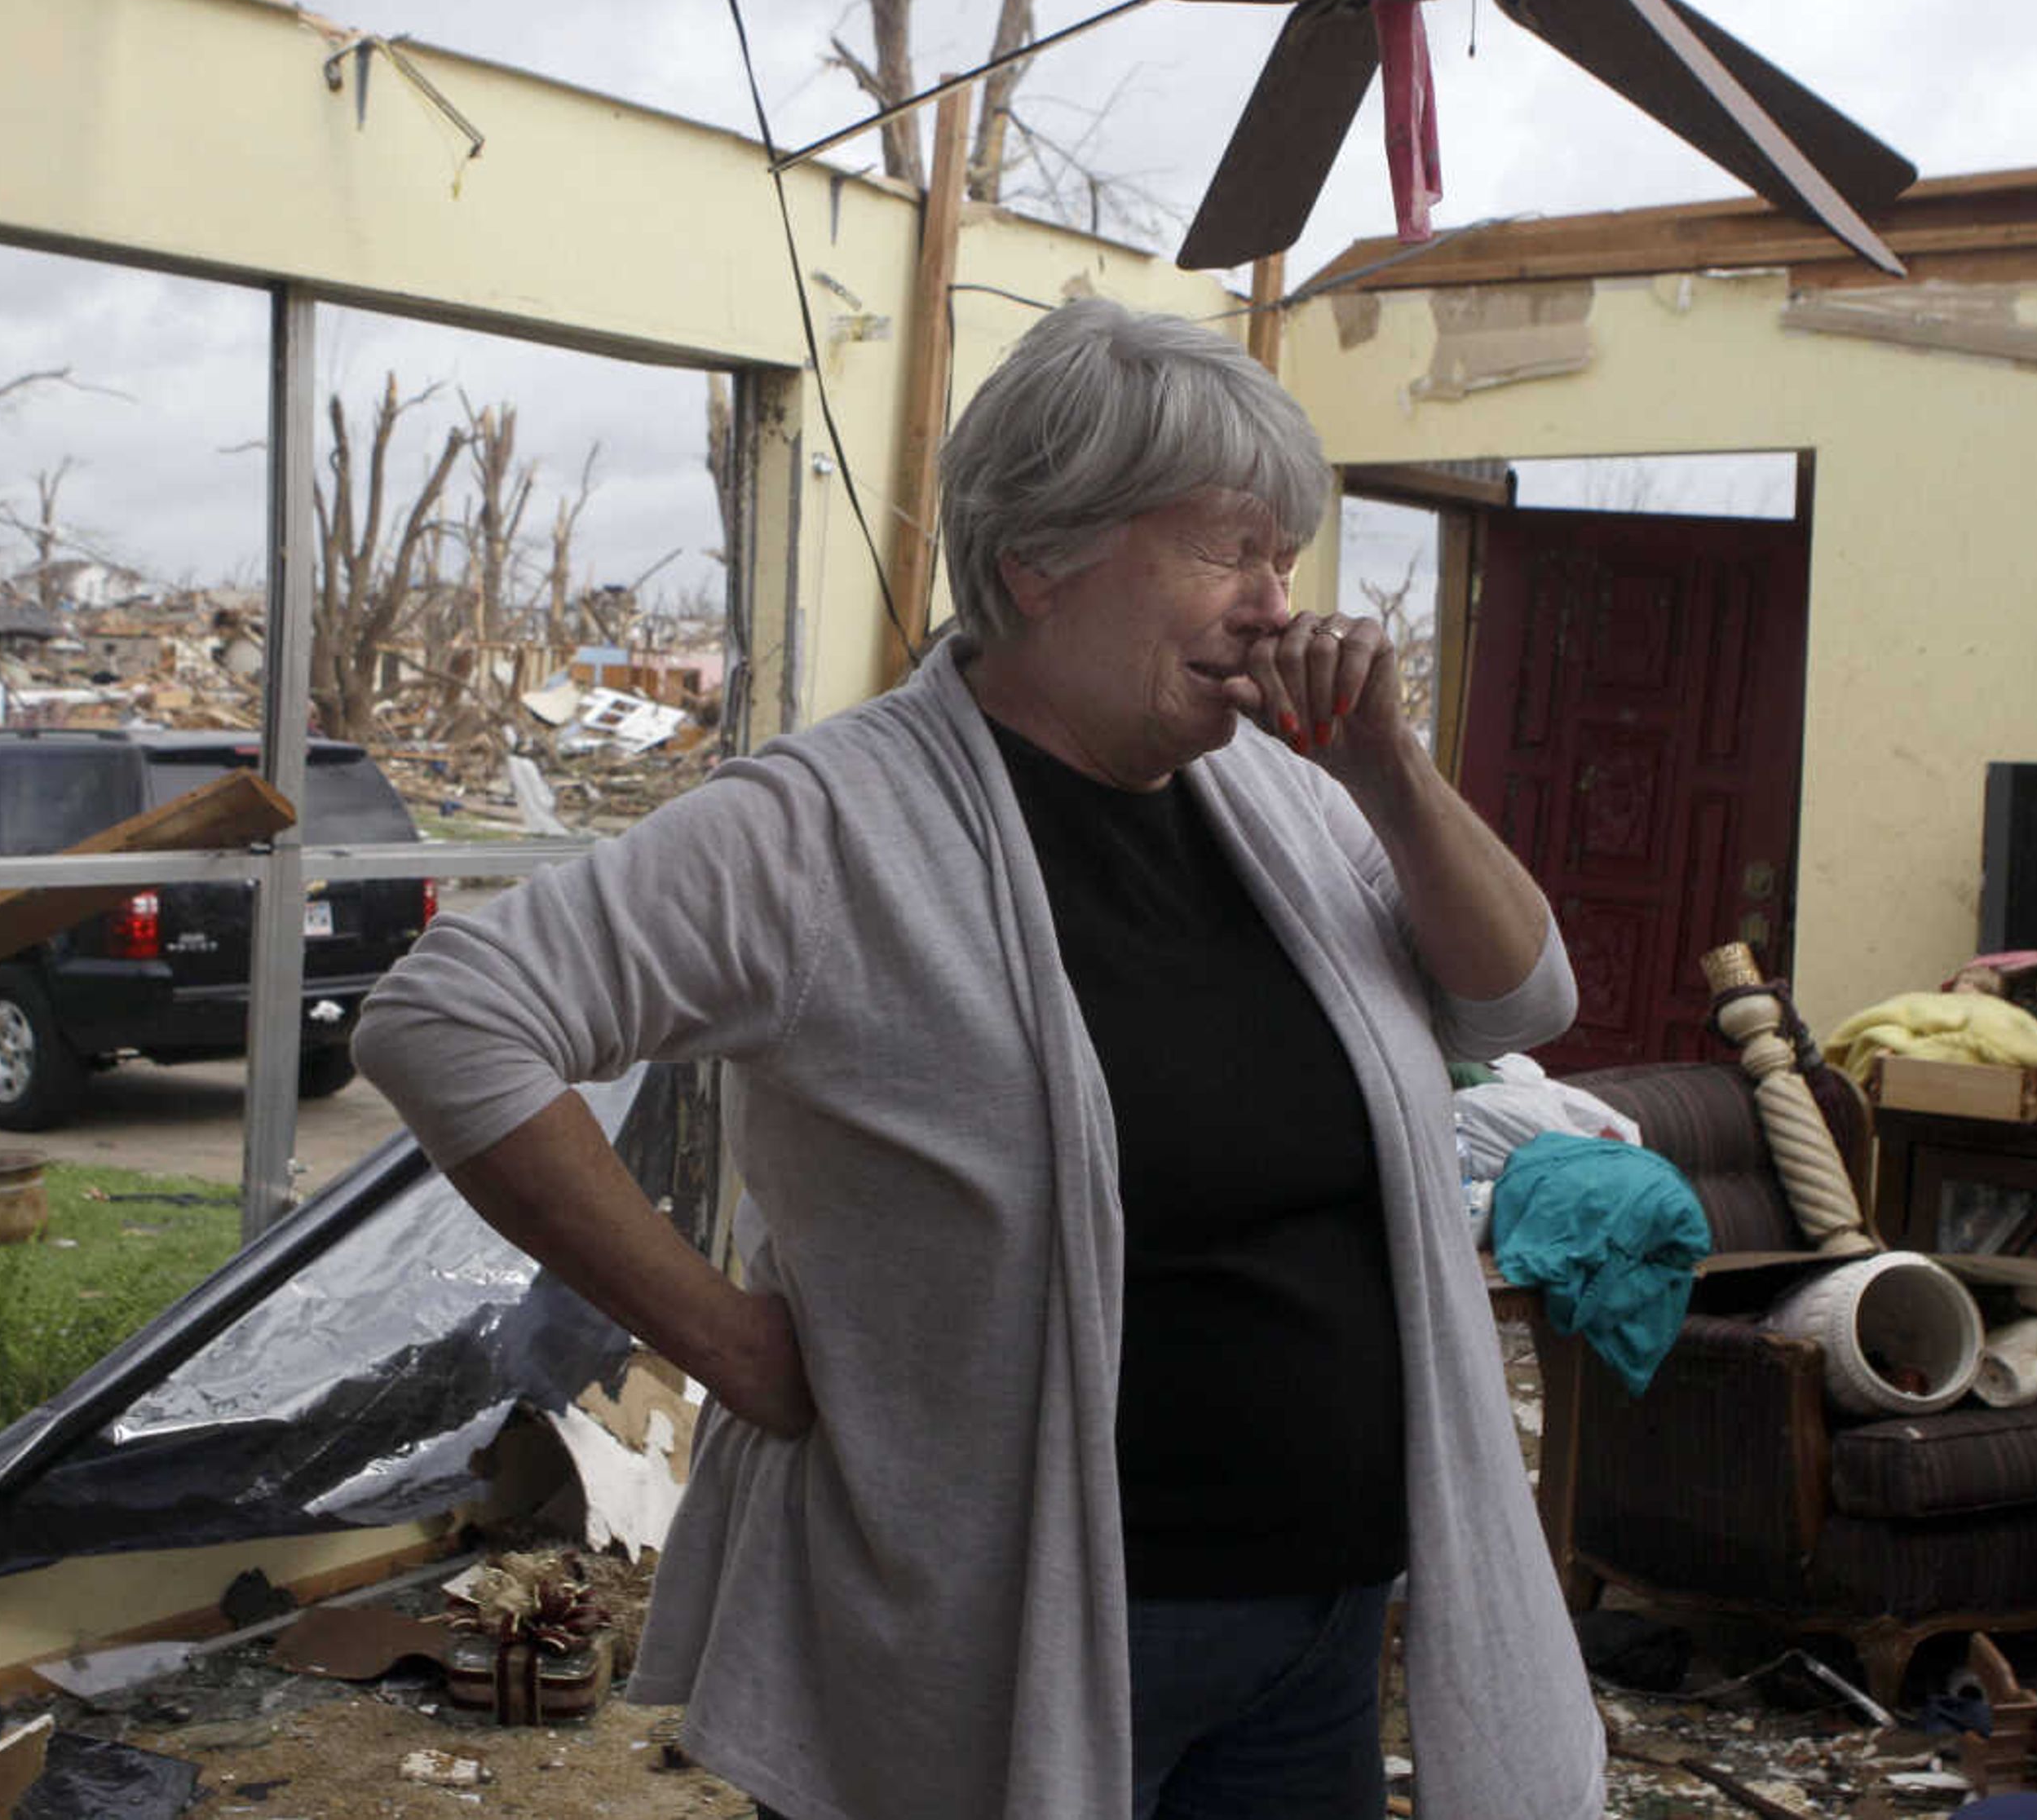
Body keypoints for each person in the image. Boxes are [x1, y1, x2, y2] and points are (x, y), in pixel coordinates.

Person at [352, 296, 1603, 1820]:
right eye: (1229, 551)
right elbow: (448, 1016)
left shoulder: (1284, 800)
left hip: (1321, 1629)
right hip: (997, 1648)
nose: (1276, 607)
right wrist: (730, 1349)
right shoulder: (827, 829)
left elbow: (1520, 1000)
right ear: (1042, 560)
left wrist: (1391, 775)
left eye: (1286, 558)